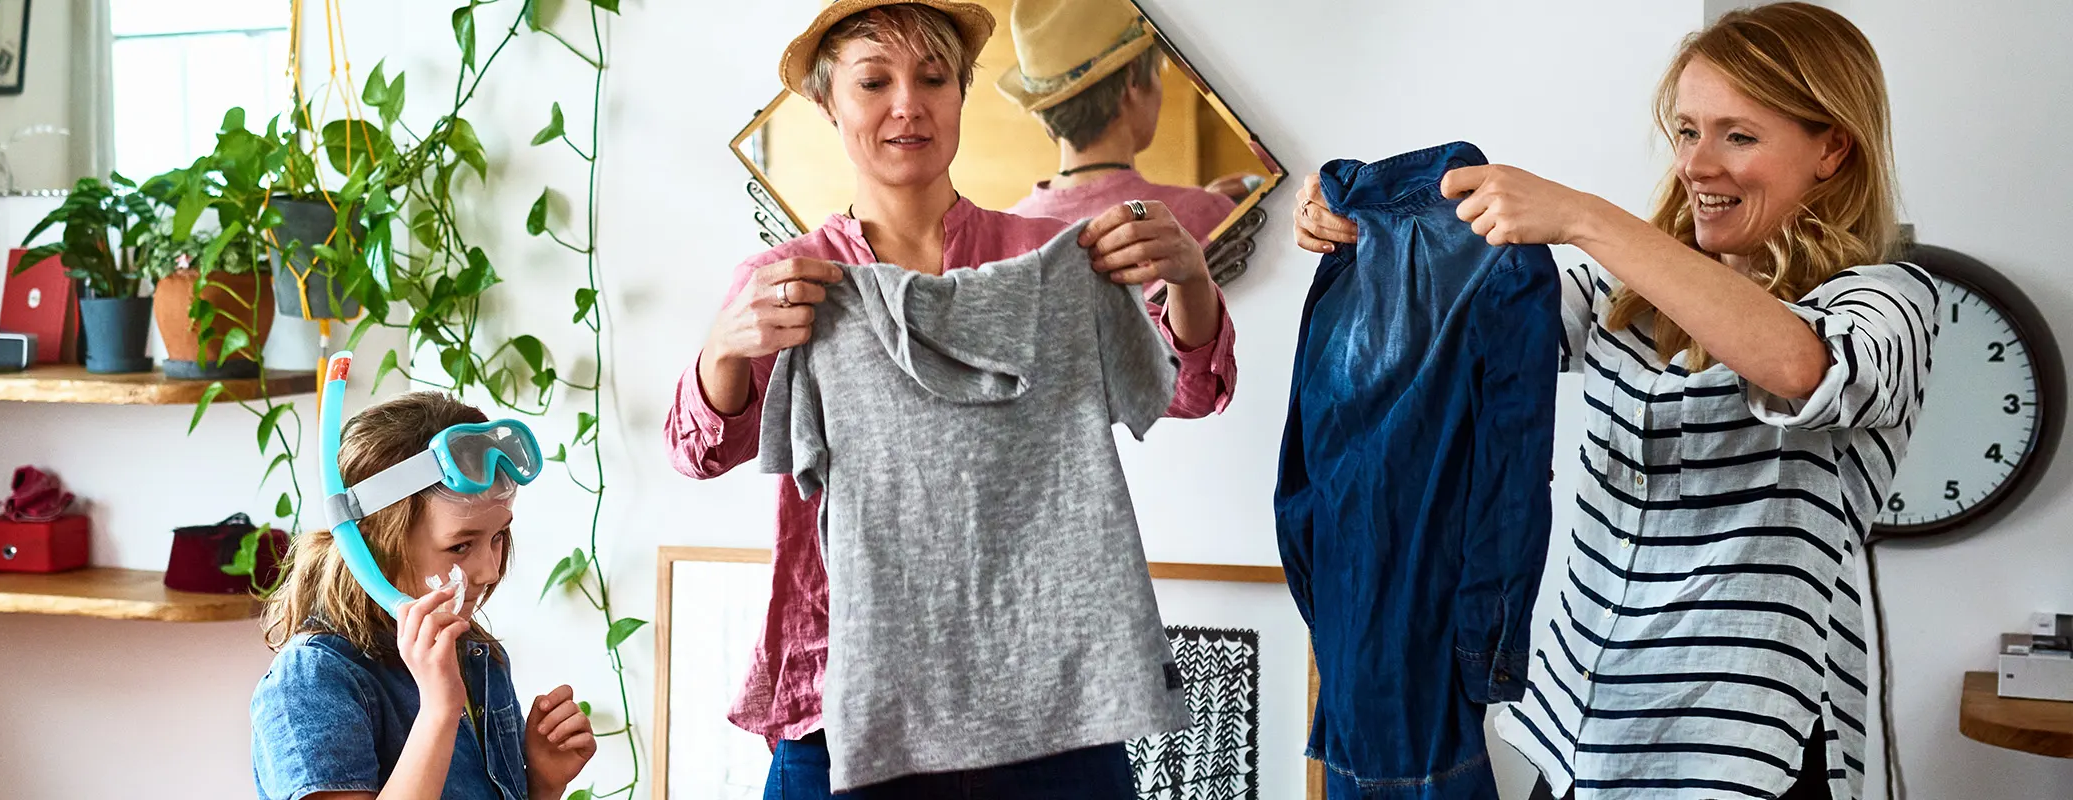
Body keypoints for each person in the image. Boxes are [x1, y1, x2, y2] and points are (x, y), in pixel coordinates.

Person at [1295, 5, 1930, 799]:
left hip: (1737, 756)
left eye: (1739, 135)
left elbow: (1806, 368)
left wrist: (1583, 217)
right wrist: (1380, 239)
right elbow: (1466, 336)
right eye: (1688, 131)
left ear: (1832, 147)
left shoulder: (1888, 302)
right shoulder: (1622, 299)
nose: (1699, 164)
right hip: (1579, 739)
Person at [664, 1, 1237, 797]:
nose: (908, 103)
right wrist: (725, 346)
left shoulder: (1047, 261)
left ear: (962, 95)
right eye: (875, 81)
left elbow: (1192, 390)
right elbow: (698, 451)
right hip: (849, 692)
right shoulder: (793, 283)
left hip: (1050, 691)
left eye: (934, 78)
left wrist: (1188, 276)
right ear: (830, 102)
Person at [251, 392, 597, 800]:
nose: (488, 570)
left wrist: (542, 783)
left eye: (498, 536)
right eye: (461, 546)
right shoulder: (312, 683)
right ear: (375, 548)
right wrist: (438, 710)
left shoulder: (477, 658)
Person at [999, 0, 1240, 244]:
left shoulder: (1003, 234)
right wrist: (1206, 210)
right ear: (1133, 79)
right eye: (1157, 72)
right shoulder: (1206, 219)